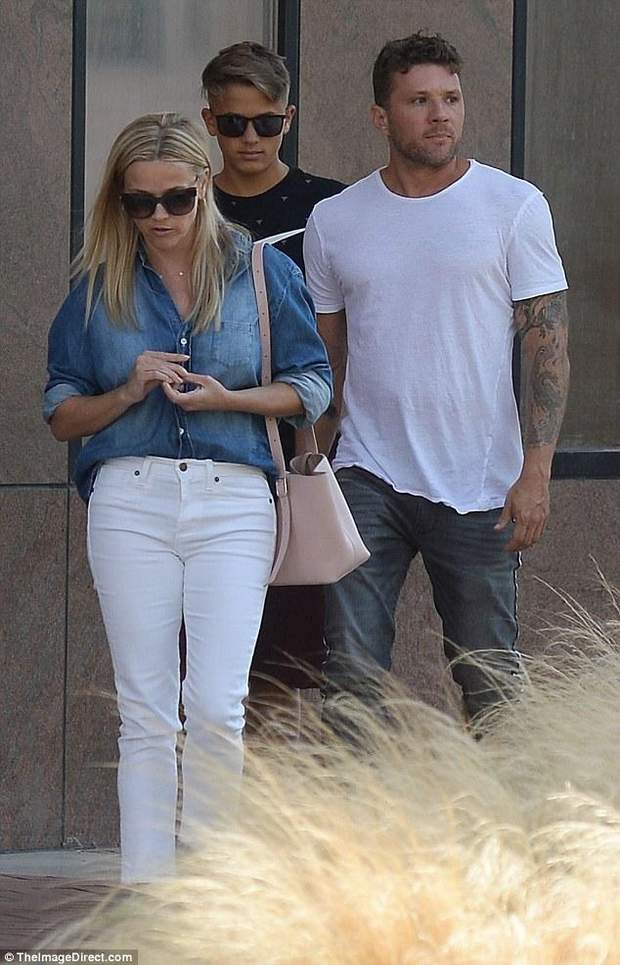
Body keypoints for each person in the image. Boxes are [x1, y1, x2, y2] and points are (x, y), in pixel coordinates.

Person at [43, 112, 331, 882]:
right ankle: (148, 896)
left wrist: (228, 399)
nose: (160, 216)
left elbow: (312, 384)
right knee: (144, 711)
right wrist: (126, 389)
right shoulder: (99, 283)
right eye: (141, 202)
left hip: (233, 500)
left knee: (215, 708)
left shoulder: (261, 272)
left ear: (206, 185)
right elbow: (60, 409)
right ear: (121, 200)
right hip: (129, 498)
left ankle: (208, 900)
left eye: (176, 197)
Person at [304, 32, 570, 727]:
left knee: (489, 680)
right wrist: (312, 466)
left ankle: (505, 803)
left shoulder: (513, 206)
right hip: (366, 475)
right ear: (381, 116)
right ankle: (351, 804)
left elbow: (547, 346)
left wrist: (536, 472)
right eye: (419, 100)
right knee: (350, 678)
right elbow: (328, 359)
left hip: (481, 485)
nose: (440, 114)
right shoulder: (334, 221)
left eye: (451, 98)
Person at [201, 41, 345, 735]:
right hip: (205, 449)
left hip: (299, 448)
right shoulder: (183, 201)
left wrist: (324, 439)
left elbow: (350, 330)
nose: (250, 139)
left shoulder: (330, 207)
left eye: (266, 123)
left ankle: (278, 800)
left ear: (288, 118)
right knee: (207, 657)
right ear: (209, 121)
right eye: (234, 124)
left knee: (290, 658)